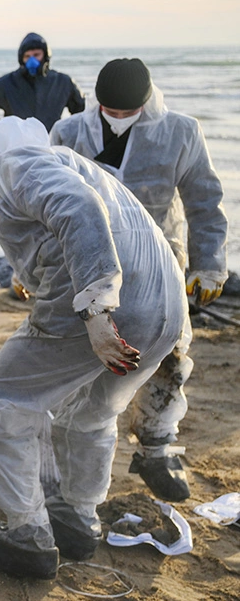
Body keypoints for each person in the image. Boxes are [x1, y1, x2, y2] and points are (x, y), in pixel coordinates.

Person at [0, 118, 187, 580]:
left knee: (3, 395)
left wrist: (95, 310)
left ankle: (27, 534)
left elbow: (79, 209)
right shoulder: (61, 160)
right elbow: (71, 226)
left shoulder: (12, 165)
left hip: (112, 306)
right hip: (166, 308)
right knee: (91, 411)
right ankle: (77, 518)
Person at [51, 58, 228, 501]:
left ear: (145, 103)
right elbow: (48, 204)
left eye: (128, 111)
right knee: (78, 355)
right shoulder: (70, 133)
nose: (119, 118)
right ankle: (60, 451)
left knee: (172, 352)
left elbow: (204, 201)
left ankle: (156, 446)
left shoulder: (180, 133)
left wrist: (209, 265)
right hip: (90, 263)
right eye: (111, 110)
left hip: (162, 263)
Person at [0, 33, 84, 132]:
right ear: (21, 59)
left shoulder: (63, 82)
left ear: (46, 56)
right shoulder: (6, 84)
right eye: (27, 56)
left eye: (36, 55)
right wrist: (3, 129)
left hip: (52, 149)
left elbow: (83, 114)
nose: (31, 60)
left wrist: (66, 132)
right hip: (17, 150)